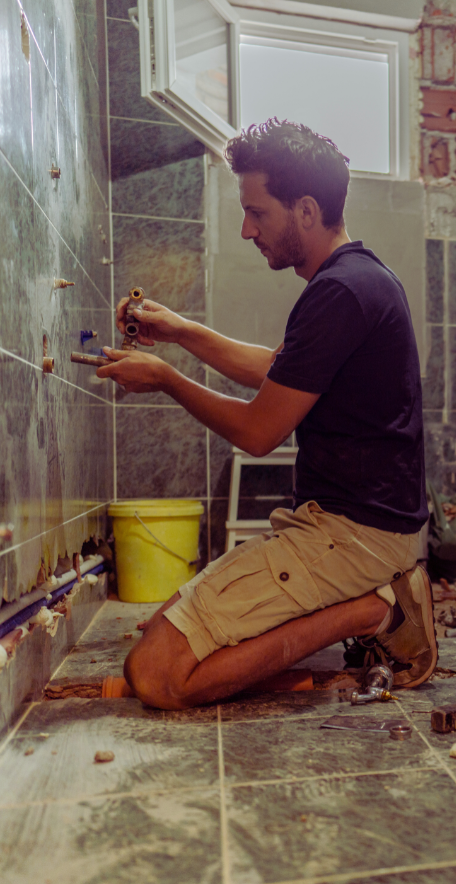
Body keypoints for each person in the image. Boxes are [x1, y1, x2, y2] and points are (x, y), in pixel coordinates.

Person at [98, 119, 435, 709]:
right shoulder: (357, 279)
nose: (247, 229)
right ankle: (373, 596)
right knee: (167, 623)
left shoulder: (341, 292)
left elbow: (259, 432)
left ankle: (376, 608)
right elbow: (278, 371)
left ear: (306, 210)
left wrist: (167, 379)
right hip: (356, 528)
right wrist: (180, 331)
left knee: (156, 674)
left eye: (257, 213)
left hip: (356, 539)